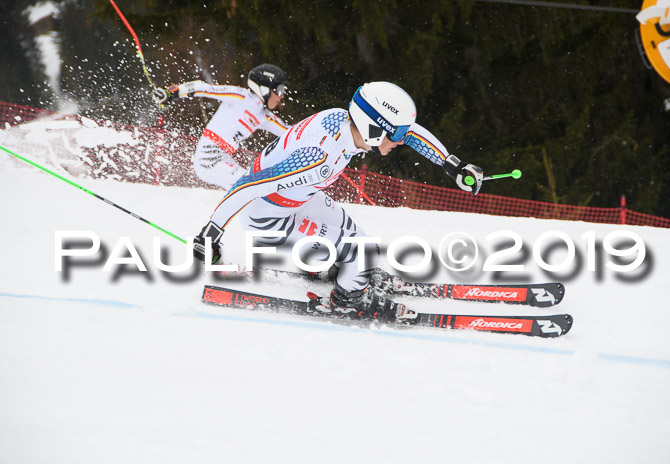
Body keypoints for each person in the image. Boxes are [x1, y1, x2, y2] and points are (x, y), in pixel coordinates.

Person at [193, 81, 484, 319]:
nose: (399, 141)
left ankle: (344, 272)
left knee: (360, 240)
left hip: (299, 199)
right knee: (364, 252)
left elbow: (411, 133)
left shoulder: (349, 123)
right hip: (269, 220)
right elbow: (249, 183)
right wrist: (213, 230)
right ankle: (347, 300)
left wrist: (452, 165)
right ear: (374, 129)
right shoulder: (318, 157)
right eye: (394, 135)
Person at [155, 64, 290, 189]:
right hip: (207, 161)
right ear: (264, 89)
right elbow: (204, 88)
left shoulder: (264, 116)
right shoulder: (240, 96)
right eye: (279, 90)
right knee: (251, 185)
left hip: (224, 160)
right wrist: (171, 93)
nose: (282, 96)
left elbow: (291, 132)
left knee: (256, 186)